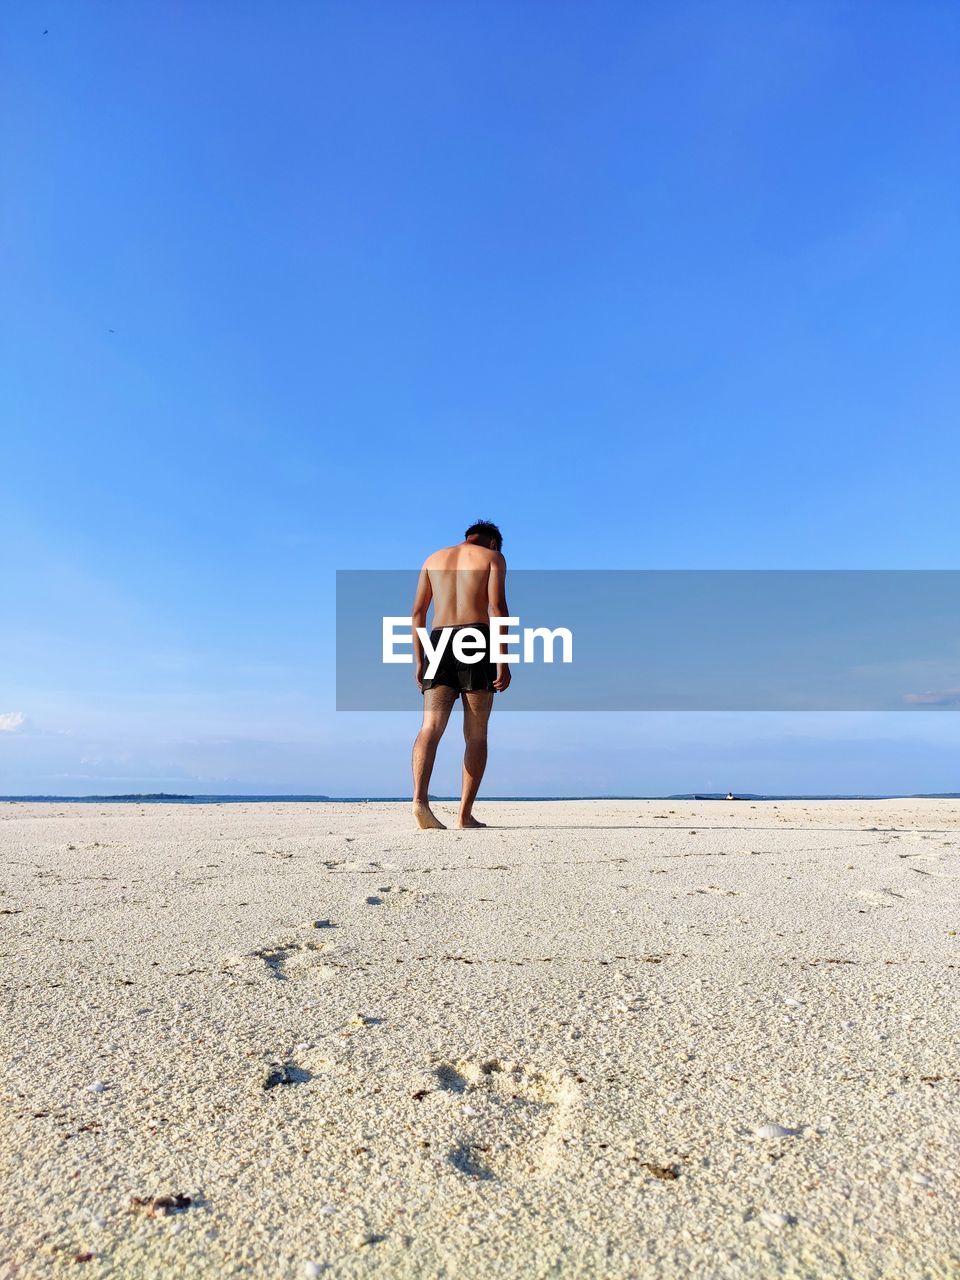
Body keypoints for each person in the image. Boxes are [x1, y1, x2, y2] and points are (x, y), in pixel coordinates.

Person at [410, 520, 510, 829]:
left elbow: (417, 613)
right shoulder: (492, 558)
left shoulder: (433, 559)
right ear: (493, 543)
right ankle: (464, 815)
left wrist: (419, 660)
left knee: (430, 727)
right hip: (475, 639)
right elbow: (497, 609)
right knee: (476, 733)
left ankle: (419, 801)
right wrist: (502, 660)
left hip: (438, 641)